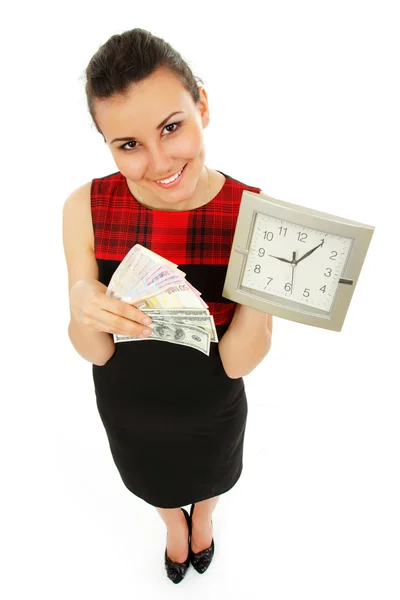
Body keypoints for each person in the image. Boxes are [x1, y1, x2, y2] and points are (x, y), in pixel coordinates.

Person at [62, 27, 273, 584]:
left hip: (212, 400)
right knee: (150, 480)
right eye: (128, 144)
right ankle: (172, 526)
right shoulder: (85, 206)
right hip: (128, 403)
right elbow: (94, 351)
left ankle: (203, 517)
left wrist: (262, 293)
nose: (158, 161)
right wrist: (81, 301)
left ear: (202, 105)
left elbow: (240, 361)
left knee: (213, 477)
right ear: (107, 144)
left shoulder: (254, 212)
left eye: (171, 128)